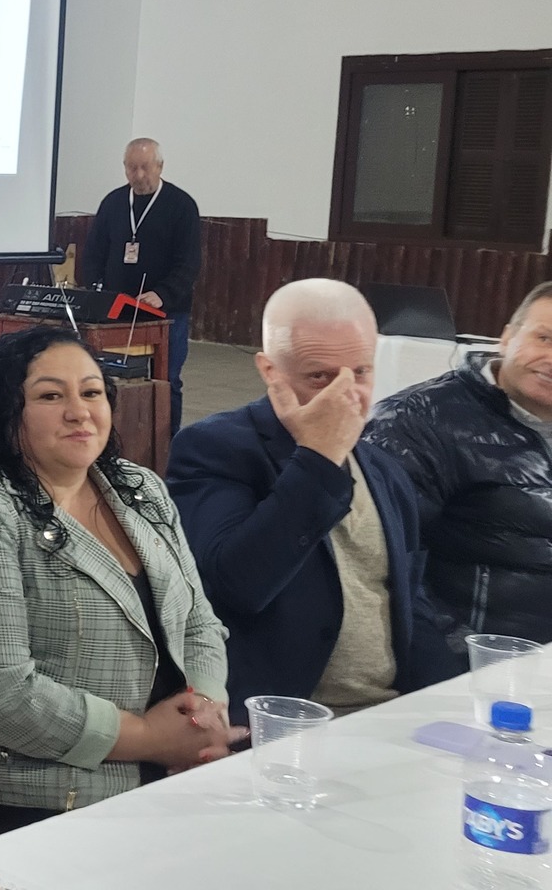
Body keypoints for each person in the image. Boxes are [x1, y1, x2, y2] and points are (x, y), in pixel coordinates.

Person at [0, 326, 239, 836]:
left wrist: (204, 717)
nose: (79, 411)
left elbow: (198, 621)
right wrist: (150, 739)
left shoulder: (140, 490)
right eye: (50, 396)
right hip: (34, 792)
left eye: (91, 392)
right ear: (6, 412)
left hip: (171, 768)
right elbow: (0, 696)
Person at [168, 280, 459, 719]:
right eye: (320, 377)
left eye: (360, 372)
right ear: (270, 371)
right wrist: (319, 458)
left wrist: (449, 703)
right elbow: (236, 588)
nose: (346, 394)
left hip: (387, 711)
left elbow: (408, 602)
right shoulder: (215, 448)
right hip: (283, 719)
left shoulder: (384, 468)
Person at [368, 280, 552, 645]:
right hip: (482, 658)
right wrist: (462, 655)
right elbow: (380, 561)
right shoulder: (417, 423)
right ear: (506, 338)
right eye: (543, 338)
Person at [80, 138, 200, 431]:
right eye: (132, 168)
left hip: (166, 311)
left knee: (166, 379)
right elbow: (93, 253)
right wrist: (96, 290)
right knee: (108, 377)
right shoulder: (113, 203)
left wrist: (162, 294)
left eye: (145, 167)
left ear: (160, 166)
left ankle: (167, 445)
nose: (139, 175)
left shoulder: (181, 205)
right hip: (116, 309)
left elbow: (189, 263)